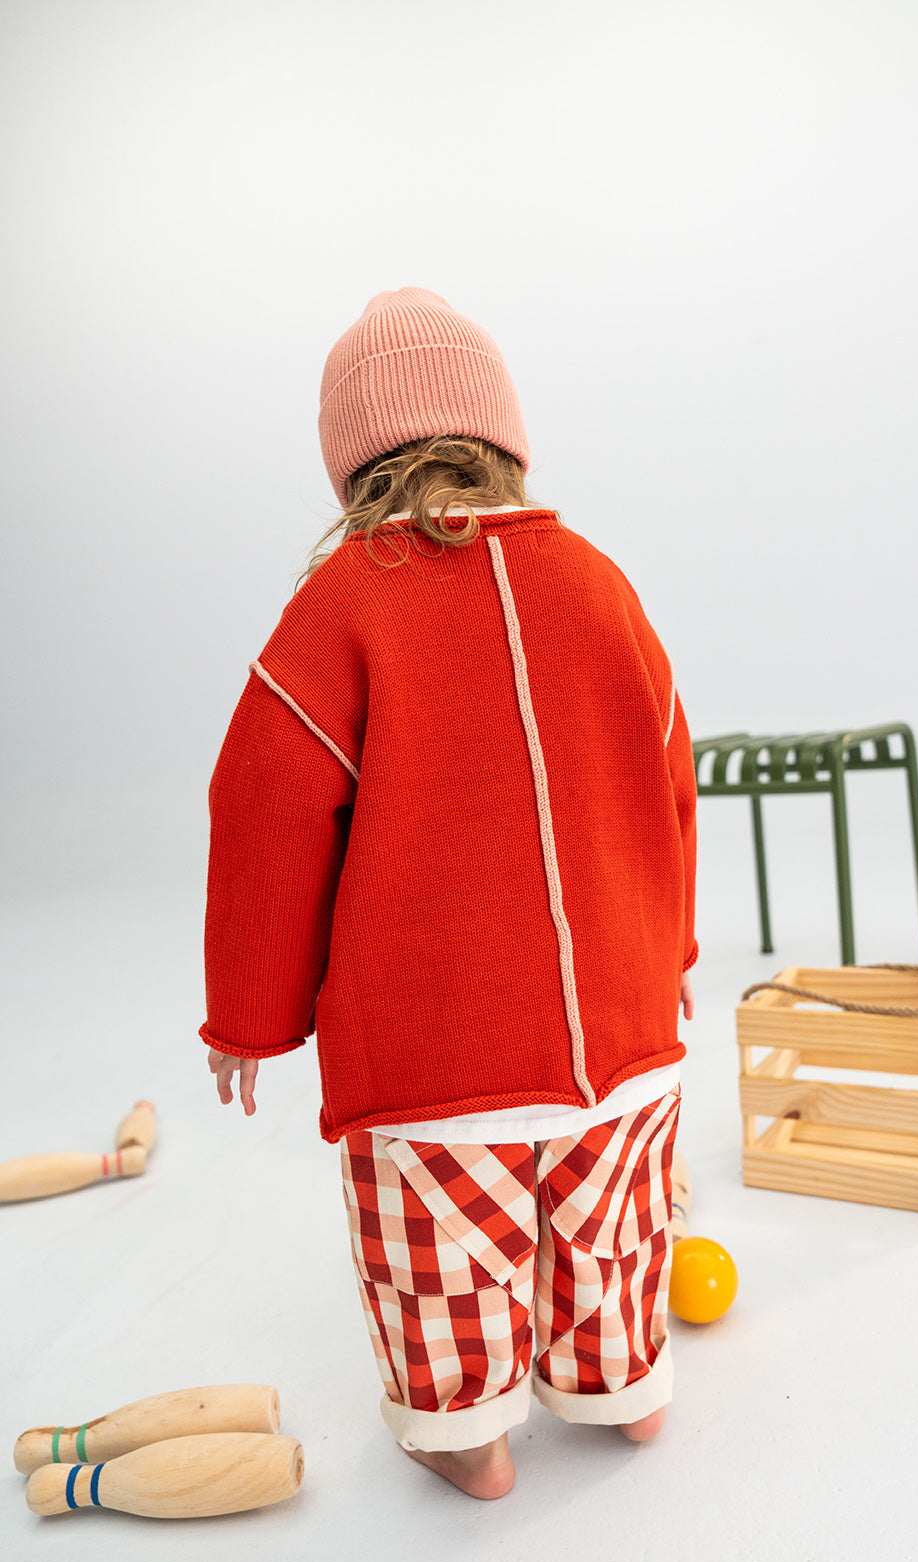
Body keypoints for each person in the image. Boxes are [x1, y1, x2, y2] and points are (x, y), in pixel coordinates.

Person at [201, 288, 697, 1499]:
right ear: (503, 439)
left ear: (351, 467)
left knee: (444, 1272)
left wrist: (252, 1017)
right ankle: (619, 1388)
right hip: (622, 1047)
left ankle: (468, 1438)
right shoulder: (597, 583)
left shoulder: (340, 610)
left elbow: (262, 809)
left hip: (436, 1062)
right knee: (611, 1233)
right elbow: (669, 773)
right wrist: (668, 951)